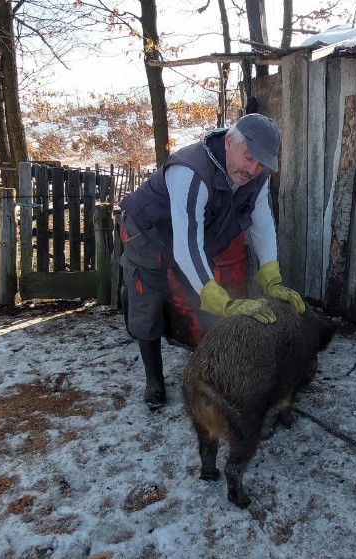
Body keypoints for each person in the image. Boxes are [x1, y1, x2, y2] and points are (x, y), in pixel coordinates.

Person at [118, 113, 306, 410]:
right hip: (148, 234)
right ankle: (153, 379)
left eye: (261, 163)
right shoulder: (190, 171)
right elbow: (187, 245)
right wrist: (221, 300)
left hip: (191, 237)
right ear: (229, 142)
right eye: (249, 158)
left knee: (199, 297)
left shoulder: (256, 178)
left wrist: (272, 276)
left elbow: (263, 225)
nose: (254, 169)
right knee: (148, 302)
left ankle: (213, 367)